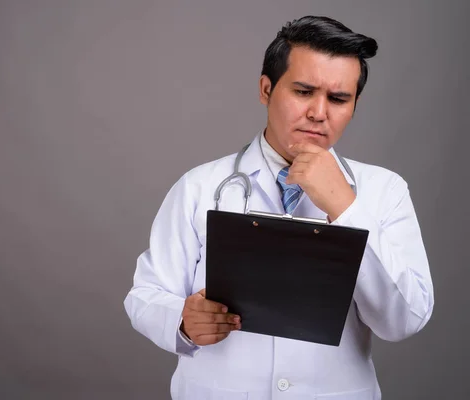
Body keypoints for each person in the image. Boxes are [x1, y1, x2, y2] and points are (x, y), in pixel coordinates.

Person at [123, 15, 434, 400]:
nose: (319, 113)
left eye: (338, 98)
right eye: (303, 92)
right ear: (266, 89)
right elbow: (145, 294)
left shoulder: (384, 191)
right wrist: (183, 322)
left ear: (354, 104)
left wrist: (345, 208)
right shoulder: (199, 186)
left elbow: (404, 320)